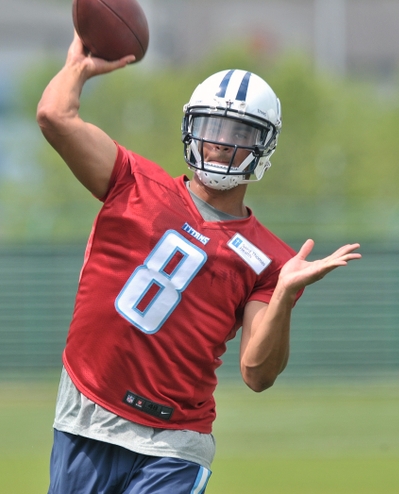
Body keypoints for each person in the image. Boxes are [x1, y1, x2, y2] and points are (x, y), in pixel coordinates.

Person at [35, 33, 362, 494]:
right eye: (212, 127)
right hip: (91, 411)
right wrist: (79, 67)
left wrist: (285, 297)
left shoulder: (271, 260)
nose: (220, 144)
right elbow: (54, 116)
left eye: (239, 134)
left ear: (263, 146)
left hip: (177, 440)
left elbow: (257, 374)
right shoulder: (133, 180)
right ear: (191, 127)